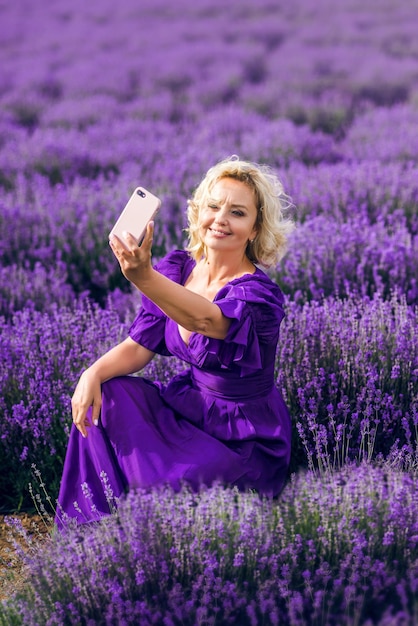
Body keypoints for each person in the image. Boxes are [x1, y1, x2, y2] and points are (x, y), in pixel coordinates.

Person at [55, 156, 295, 528]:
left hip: (243, 439)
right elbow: (140, 345)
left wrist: (143, 276)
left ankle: (147, 524)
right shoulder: (180, 269)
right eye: (213, 206)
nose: (221, 219)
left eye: (237, 212)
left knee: (168, 487)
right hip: (188, 408)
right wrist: (91, 374)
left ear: (254, 229)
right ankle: (97, 526)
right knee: (106, 395)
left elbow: (203, 318)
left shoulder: (258, 296)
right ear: (198, 212)